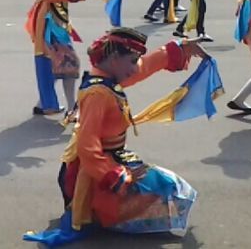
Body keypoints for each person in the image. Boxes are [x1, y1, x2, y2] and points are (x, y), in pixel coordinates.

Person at [27, 28, 204, 244]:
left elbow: (143, 68)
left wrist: (179, 48)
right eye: (131, 61)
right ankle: (97, 211)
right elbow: (87, 146)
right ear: (113, 58)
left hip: (109, 158)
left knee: (169, 187)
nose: (135, 67)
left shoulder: (105, 78)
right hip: (95, 170)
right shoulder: (98, 93)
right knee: (167, 187)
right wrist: (116, 177)